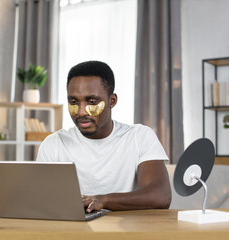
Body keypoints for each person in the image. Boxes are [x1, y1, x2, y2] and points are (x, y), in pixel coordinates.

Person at [36, 61, 171, 213]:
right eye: (73, 102)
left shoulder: (139, 137)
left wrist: (103, 200)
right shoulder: (54, 143)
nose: (81, 112)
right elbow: (39, 201)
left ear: (112, 101)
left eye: (92, 102)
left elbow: (161, 195)